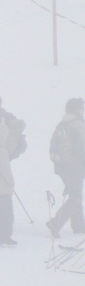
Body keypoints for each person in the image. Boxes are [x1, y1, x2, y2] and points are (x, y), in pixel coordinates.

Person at [47, 98, 85, 237]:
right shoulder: (78, 124)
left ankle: (79, 227)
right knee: (75, 196)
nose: (83, 110)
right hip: (75, 166)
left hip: (62, 166)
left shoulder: (62, 124)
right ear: (76, 109)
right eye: (82, 107)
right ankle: (55, 223)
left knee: (75, 194)